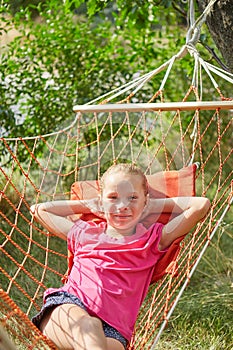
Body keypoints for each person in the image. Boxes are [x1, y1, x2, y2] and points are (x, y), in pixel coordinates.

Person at [30, 163, 210, 350]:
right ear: (101, 201)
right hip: (68, 307)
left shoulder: (152, 240)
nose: (123, 206)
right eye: (113, 198)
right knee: (90, 328)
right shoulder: (85, 232)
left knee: (96, 338)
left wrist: (153, 205)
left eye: (132, 198)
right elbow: (39, 210)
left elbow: (200, 205)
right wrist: (88, 205)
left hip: (114, 330)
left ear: (145, 201)